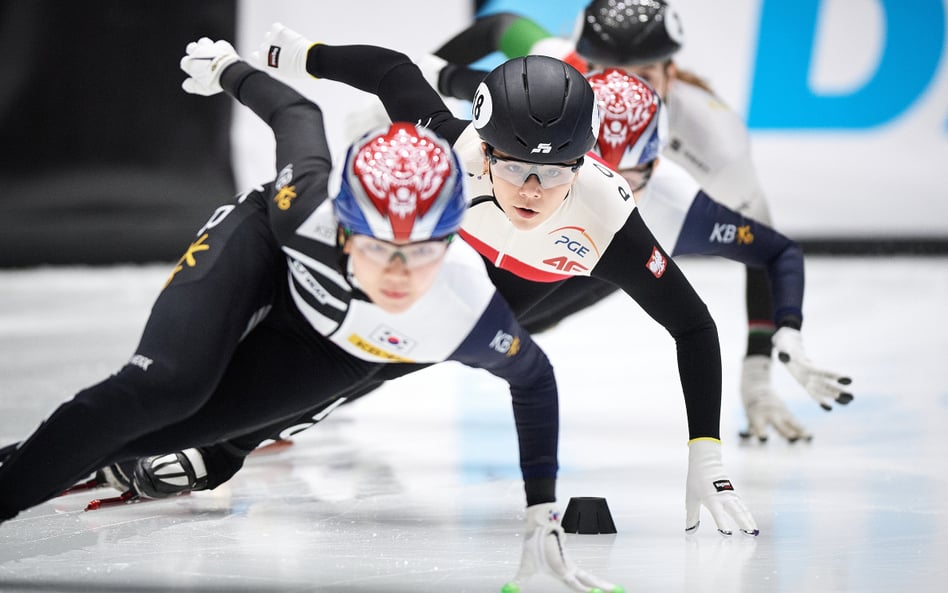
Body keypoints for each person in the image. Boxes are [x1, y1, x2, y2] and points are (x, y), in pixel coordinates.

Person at [0, 37, 620, 593]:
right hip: (264, 250)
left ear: (453, 238)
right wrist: (229, 67)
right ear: (346, 233)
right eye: (381, 248)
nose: (400, 275)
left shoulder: (464, 307)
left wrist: (542, 517)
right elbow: (296, 113)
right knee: (163, 388)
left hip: (334, 343)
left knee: (166, 432)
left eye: (424, 251)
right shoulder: (307, 207)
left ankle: (24, 458)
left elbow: (533, 380)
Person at [408, 0, 841, 443]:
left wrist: (757, 374)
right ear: (584, 65)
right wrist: (415, 95)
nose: (620, 89)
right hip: (548, 210)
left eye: (644, 76)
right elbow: (499, 30)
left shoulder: (716, 144)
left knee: (496, 325)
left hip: (606, 234)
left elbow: (766, 248)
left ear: (671, 73)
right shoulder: (559, 77)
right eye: (604, 73)